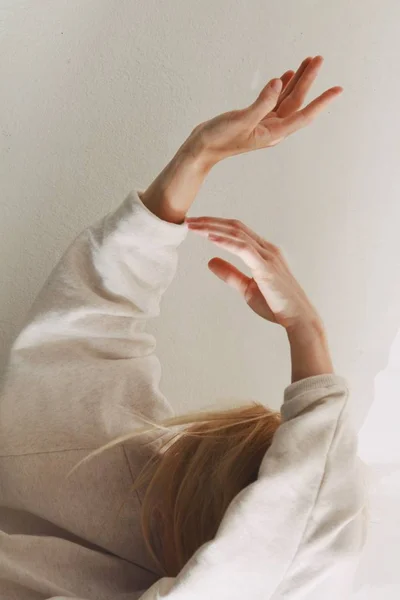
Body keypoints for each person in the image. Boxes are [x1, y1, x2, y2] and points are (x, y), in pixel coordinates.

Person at [0, 56, 367, 600]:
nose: (150, 478)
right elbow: (94, 326)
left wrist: (307, 337)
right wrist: (196, 158)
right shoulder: (119, 499)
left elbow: (306, 537)